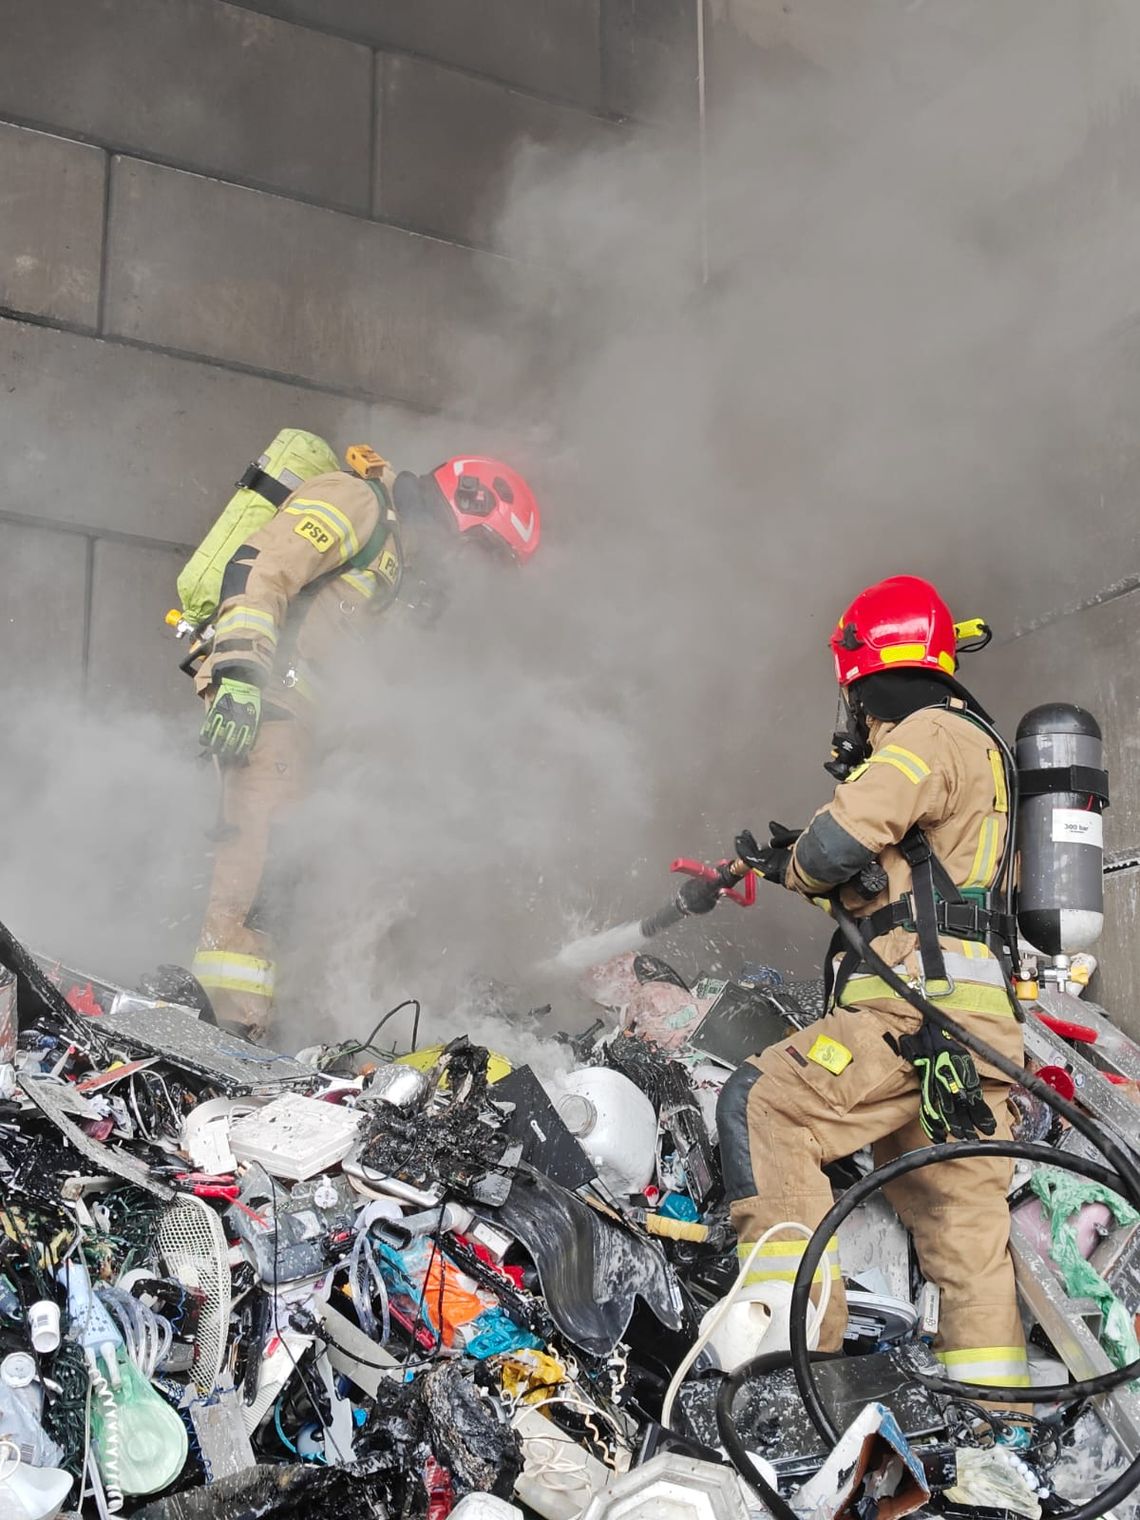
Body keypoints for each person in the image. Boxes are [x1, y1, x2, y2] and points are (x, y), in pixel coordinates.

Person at [713, 574, 1029, 1394]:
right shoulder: (982, 752)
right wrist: (792, 865)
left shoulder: (927, 733)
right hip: (978, 1034)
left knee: (765, 1102)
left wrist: (801, 855)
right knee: (963, 1236)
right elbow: (892, 888)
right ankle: (999, 1428)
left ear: (866, 673)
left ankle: (789, 1374)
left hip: (908, 1013)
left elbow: (833, 849)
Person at [191, 448, 541, 1040]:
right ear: (466, 505)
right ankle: (222, 1031)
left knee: (302, 875)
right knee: (262, 863)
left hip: (308, 726)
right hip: (266, 698)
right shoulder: (357, 501)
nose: (474, 570)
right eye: (484, 552)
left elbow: (376, 688)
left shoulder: (402, 571)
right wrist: (241, 676)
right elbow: (262, 568)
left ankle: (273, 1028)